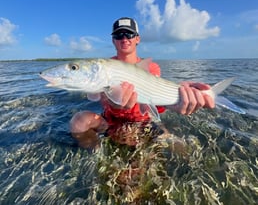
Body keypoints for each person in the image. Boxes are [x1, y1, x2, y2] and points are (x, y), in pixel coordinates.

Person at [70, 17, 215, 148]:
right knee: (78, 121)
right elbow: (100, 98)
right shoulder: (104, 67)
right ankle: (96, 154)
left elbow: (155, 104)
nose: (124, 38)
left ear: (137, 39)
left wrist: (177, 100)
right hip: (112, 120)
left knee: (179, 148)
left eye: (129, 34)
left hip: (144, 121)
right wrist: (115, 104)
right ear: (113, 40)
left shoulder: (151, 67)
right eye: (119, 35)